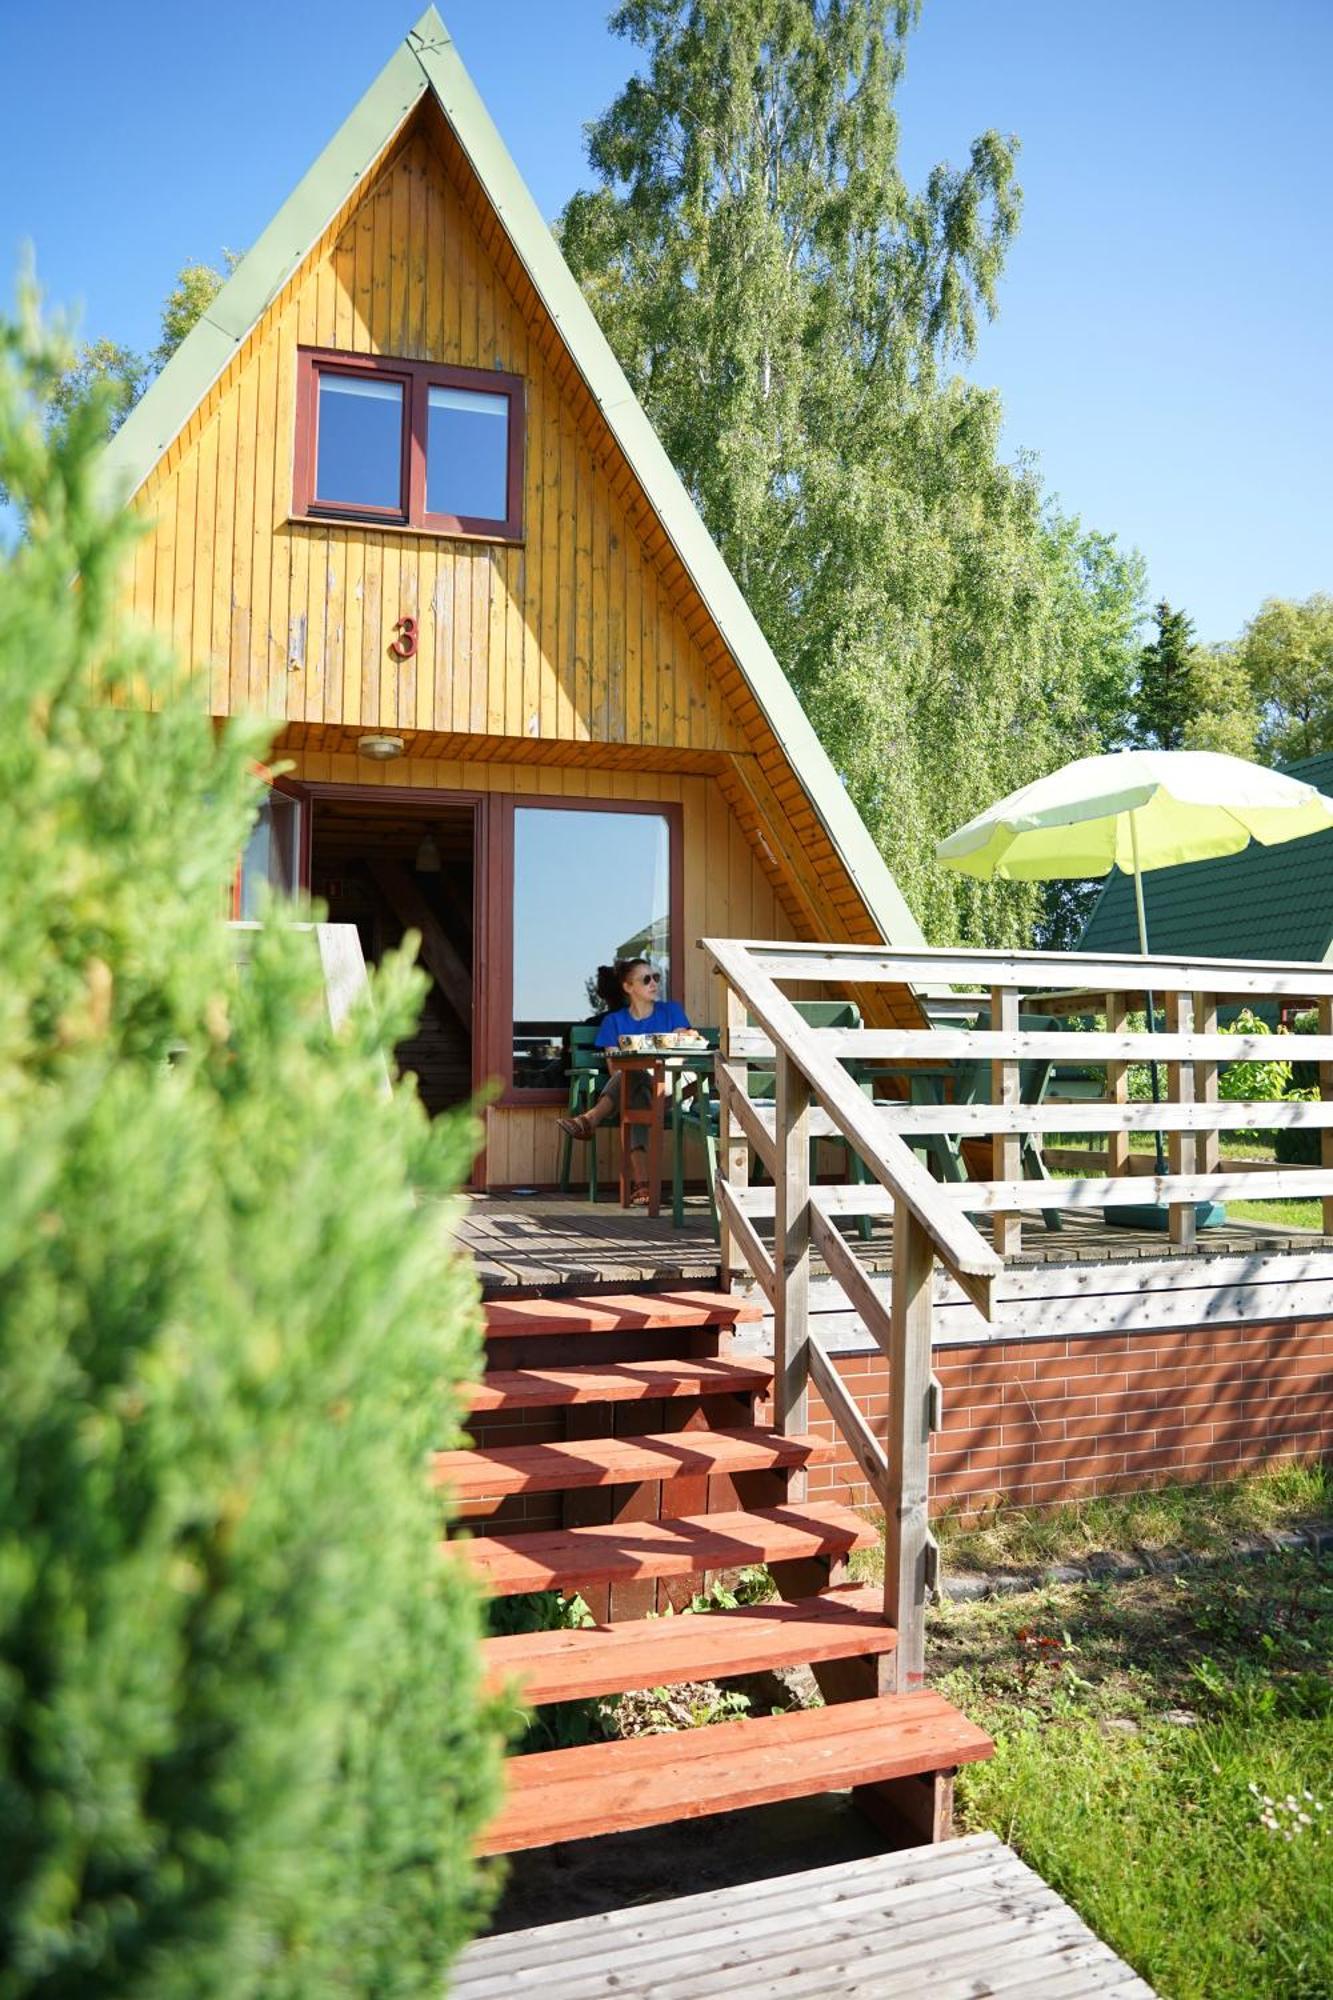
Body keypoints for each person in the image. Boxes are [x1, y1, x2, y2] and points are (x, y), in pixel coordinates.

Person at [557, 957, 692, 1206]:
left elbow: (682, 1050)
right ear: (628, 987)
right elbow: (614, 1066)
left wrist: (667, 1059)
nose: (654, 983)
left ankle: (590, 1120)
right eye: (646, 979)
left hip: (674, 1088)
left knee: (632, 1081)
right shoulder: (614, 1022)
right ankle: (642, 1185)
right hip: (638, 1089)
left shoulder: (671, 1011)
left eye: (656, 978)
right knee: (631, 1082)